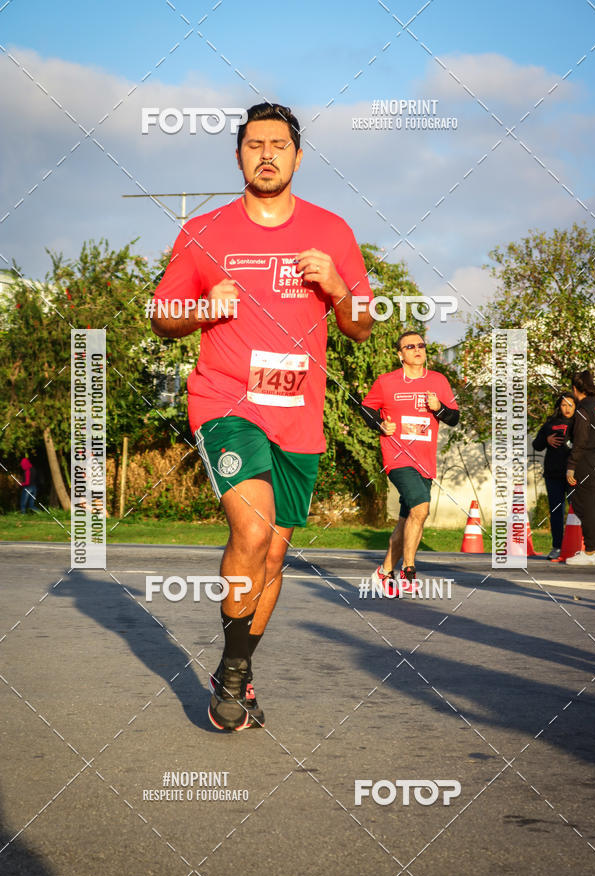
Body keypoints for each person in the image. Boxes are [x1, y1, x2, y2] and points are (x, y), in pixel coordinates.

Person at [151, 102, 374, 731]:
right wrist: (201, 310)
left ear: (298, 157)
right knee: (251, 533)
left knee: (273, 557)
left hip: (299, 418)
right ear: (240, 155)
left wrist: (337, 288)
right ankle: (234, 676)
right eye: (255, 145)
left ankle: (235, 673)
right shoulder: (204, 233)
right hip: (226, 402)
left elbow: (359, 328)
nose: (267, 154)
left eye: (280, 144)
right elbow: (162, 316)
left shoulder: (332, 232)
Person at [360, 331, 459, 596]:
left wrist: (438, 408)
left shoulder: (438, 381)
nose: (417, 349)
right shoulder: (386, 382)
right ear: (400, 354)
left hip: (425, 462)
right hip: (397, 457)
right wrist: (380, 425)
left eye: (421, 345)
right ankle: (409, 570)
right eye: (410, 346)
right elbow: (366, 409)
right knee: (421, 506)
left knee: (408, 520)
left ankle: (383, 571)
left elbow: (454, 418)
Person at [532, 392, 576, 559]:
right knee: (556, 511)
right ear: (559, 406)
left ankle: (579, 547)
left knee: (577, 511)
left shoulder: (579, 423)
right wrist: (546, 439)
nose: (567, 408)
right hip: (553, 474)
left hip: (573, 475)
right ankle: (557, 546)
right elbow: (536, 445)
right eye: (564, 405)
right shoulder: (551, 424)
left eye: (570, 405)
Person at [565, 370, 595, 566]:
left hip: (586, 461)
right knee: (594, 504)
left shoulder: (582, 410)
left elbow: (580, 441)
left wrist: (571, 466)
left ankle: (591, 551)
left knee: (583, 504)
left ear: (575, 389)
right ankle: (594, 549)